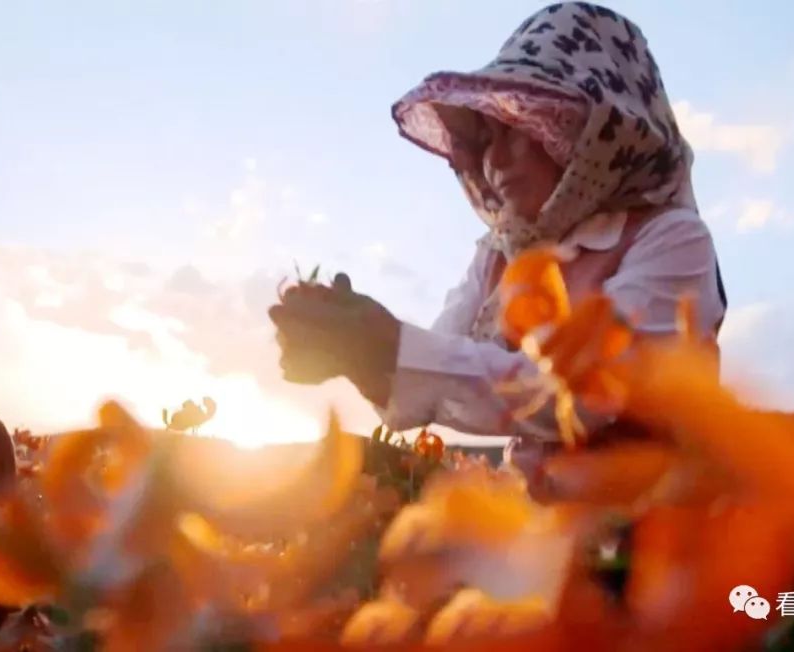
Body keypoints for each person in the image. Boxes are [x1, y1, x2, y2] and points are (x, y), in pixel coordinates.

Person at [268, 2, 727, 493]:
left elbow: (589, 391)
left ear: (587, 133)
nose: (493, 163)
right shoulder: (500, 253)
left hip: (664, 532)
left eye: (519, 130)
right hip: (544, 536)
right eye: (487, 139)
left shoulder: (673, 239)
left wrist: (384, 346)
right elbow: (439, 366)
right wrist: (354, 351)